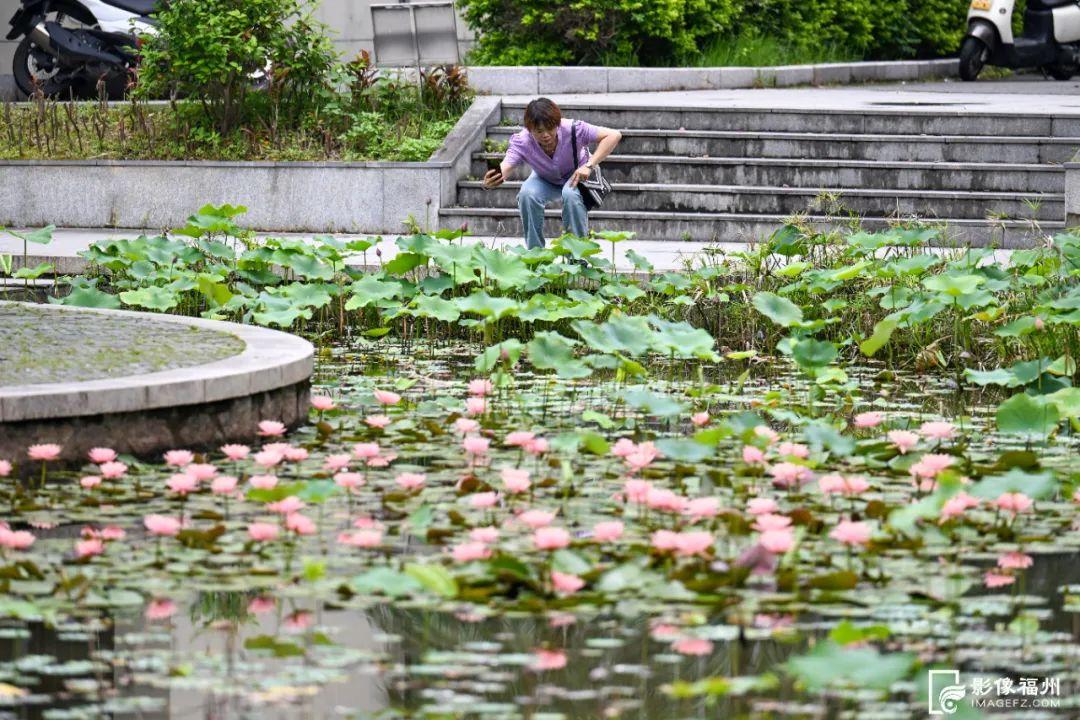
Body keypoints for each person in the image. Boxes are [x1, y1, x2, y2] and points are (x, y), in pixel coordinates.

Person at [483, 97, 622, 249]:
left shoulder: (573, 129)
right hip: (545, 179)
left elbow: (614, 135)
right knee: (527, 194)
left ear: (557, 124)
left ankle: (577, 256)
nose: (546, 135)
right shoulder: (523, 140)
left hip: (576, 176)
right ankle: (536, 254)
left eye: (550, 129)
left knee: (570, 195)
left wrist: (589, 166)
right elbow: (507, 165)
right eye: (539, 131)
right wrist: (494, 178)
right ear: (530, 129)